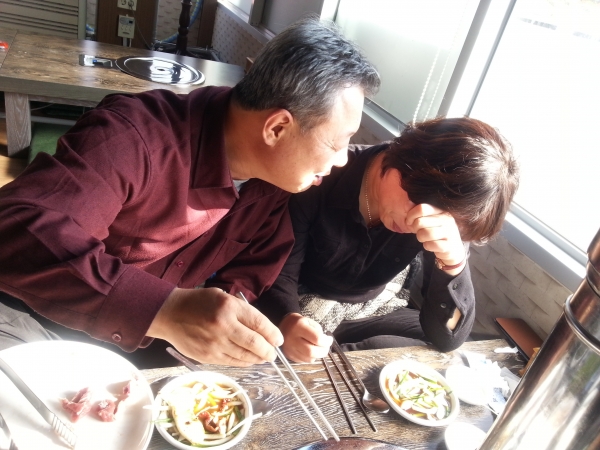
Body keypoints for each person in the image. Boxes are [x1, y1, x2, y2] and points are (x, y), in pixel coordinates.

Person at [0, 18, 380, 367]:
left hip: (141, 348)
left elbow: (256, 265)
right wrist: (165, 309)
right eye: (337, 143)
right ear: (277, 128)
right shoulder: (135, 136)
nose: (343, 160)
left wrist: (224, 317)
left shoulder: (272, 183)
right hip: (34, 318)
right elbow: (19, 232)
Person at [254, 117, 520, 363]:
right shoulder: (323, 176)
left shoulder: (444, 210)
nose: (415, 222)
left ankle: (347, 358)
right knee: (274, 351)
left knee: (450, 353)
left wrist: (453, 262)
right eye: (416, 205)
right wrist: (286, 320)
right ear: (404, 165)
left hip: (375, 307)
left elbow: (448, 336)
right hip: (304, 300)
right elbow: (277, 271)